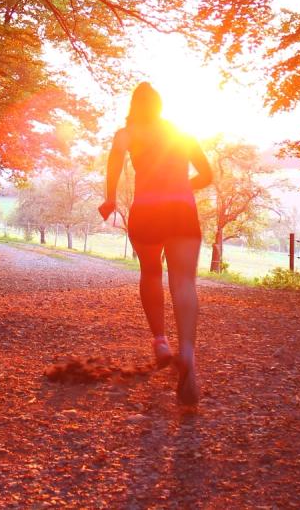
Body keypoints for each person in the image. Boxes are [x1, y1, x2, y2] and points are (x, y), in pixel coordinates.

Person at [99, 82, 212, 405]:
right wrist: (180, 186)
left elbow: (114, 165)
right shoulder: (181, 134)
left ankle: (161, 342)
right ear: (161, 107)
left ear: (135, 106)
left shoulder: (126, 134)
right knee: (183, 282)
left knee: (151, 272)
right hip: (181, 210)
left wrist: (109, 199)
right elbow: (207, 175)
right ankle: (187, 352)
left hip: (146, 211)